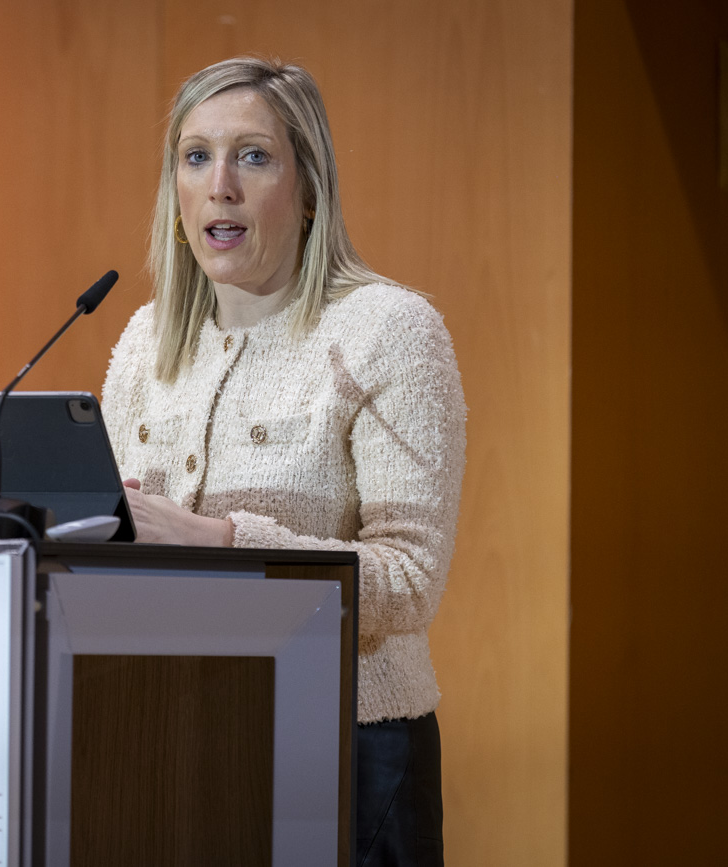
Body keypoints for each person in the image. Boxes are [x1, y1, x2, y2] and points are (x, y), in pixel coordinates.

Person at [100, 56, 465, 866]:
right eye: (196, 156)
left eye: (253, 156)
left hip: (346, 750)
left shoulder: (389, 331)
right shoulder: (144, 342)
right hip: (169, 738)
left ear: (307, 189)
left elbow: (410, 579)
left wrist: (222, 541)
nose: (220, 185)